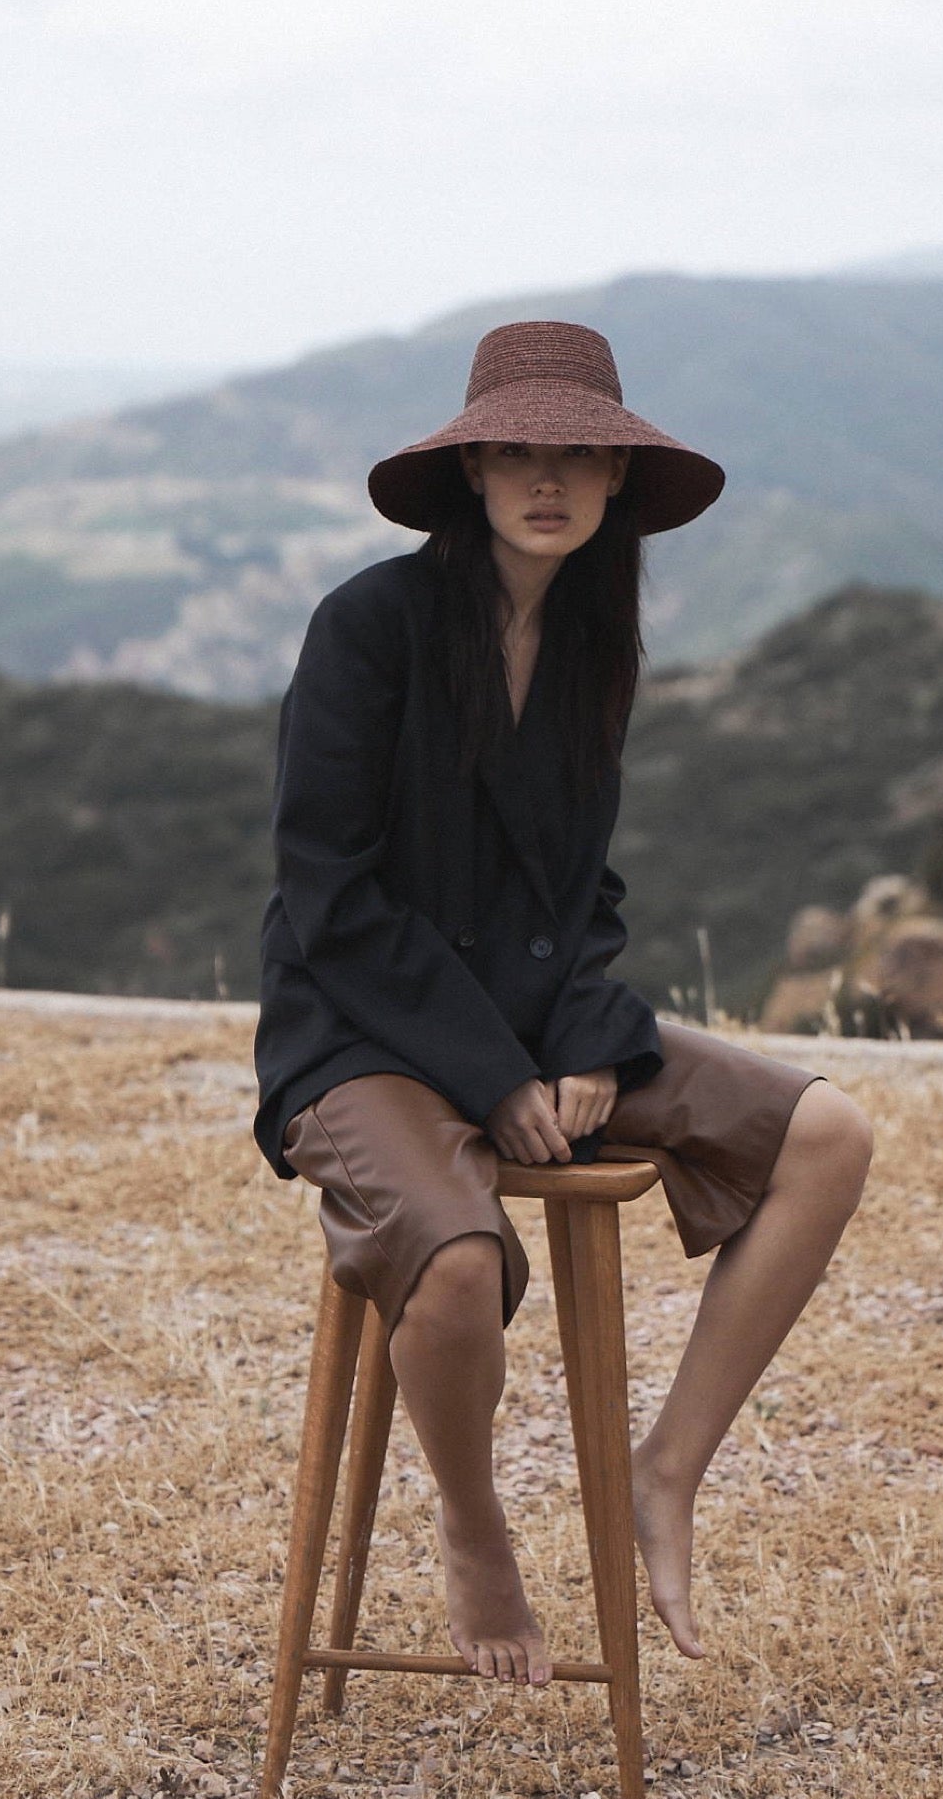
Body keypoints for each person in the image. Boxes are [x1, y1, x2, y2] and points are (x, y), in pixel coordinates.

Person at [254, 320, 871, 1686]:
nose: (551, 478)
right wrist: (494, 1076)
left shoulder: (595, 644)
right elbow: (327, 899)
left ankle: (665, 1475)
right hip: (359, 1036)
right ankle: (476, 1532)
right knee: (460, 1263)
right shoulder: (371, 627)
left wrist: (587, 1038)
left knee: (829, 1136)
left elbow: (582, 895)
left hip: (532, 1027)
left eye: (580, 453)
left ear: (614, 482)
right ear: (470, 474)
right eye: (519, 451)